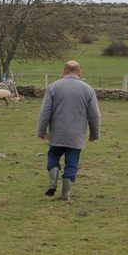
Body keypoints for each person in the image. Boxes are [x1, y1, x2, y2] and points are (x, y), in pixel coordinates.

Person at [37, 60, 101, 202]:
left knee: (53, 156)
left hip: (57, 133)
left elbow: (45, 112)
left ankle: (52, 183)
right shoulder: (88, 89)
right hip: (76, 136)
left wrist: (42, 130)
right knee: (72, 163)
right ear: (79, 72)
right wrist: (94, 134)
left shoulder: (53, 87)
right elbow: (94, 115)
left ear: (64, 71)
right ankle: (65, 195)